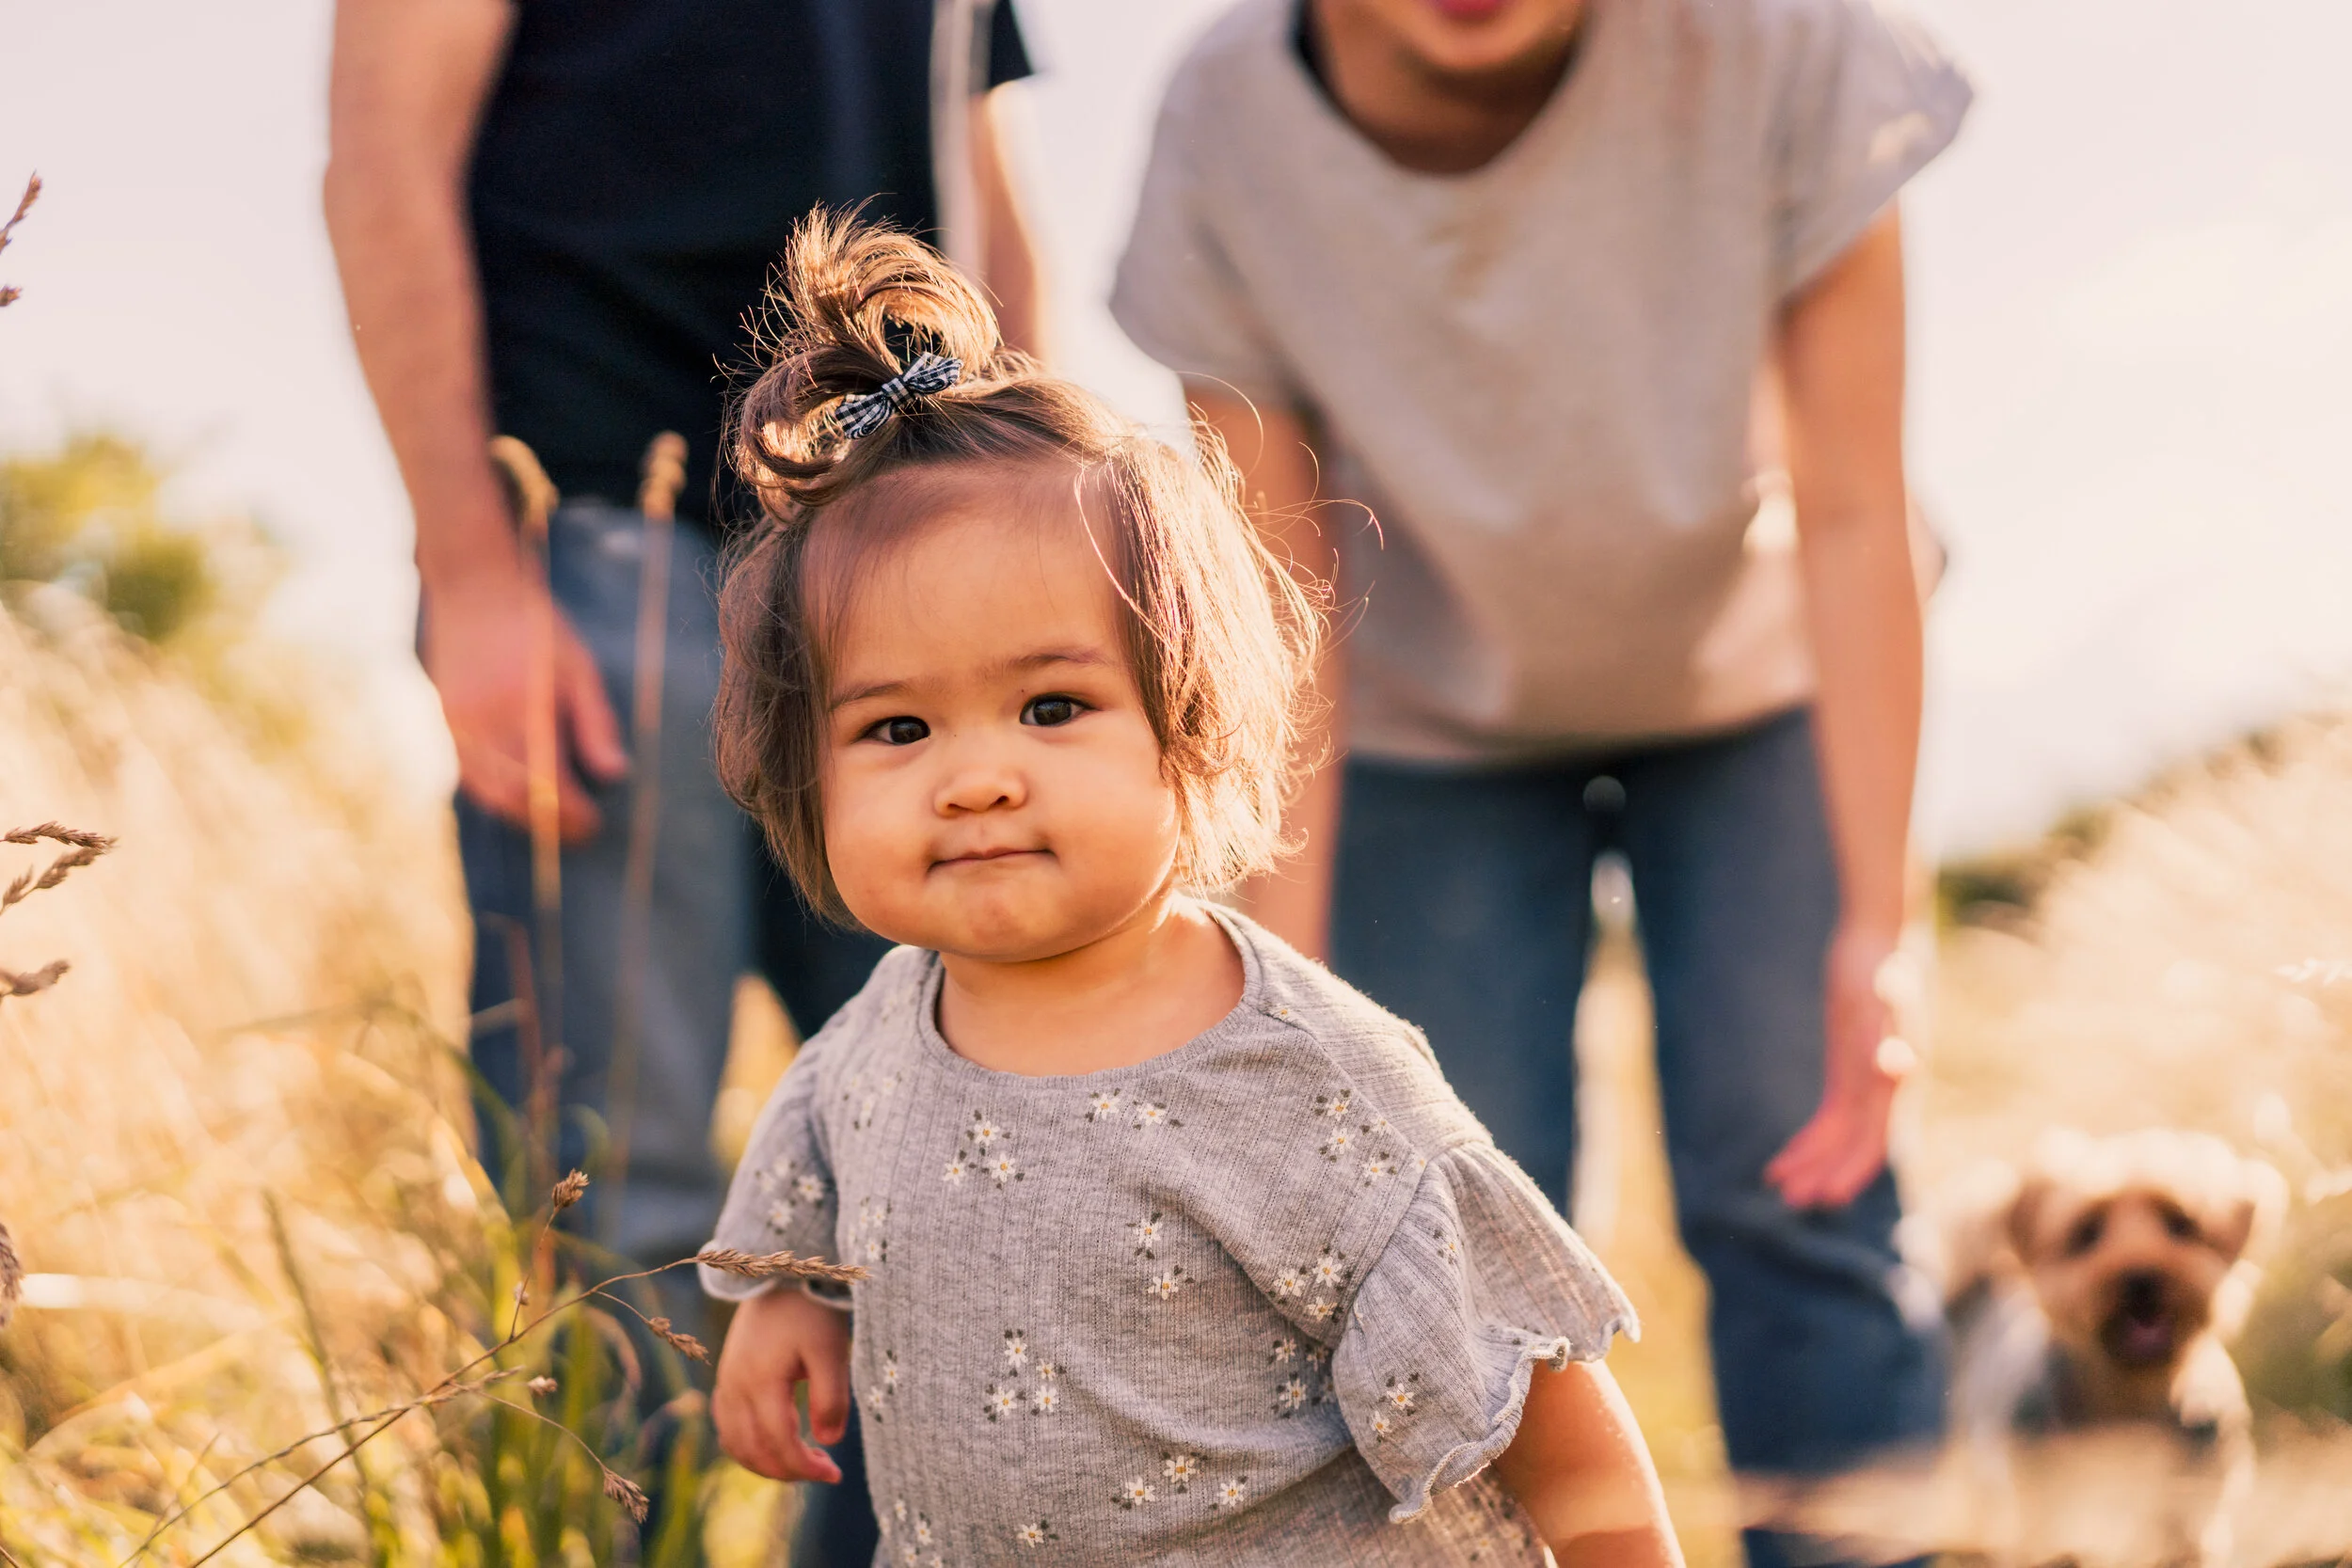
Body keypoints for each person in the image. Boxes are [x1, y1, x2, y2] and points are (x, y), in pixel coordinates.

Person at [1109, 0, 1968, 1561]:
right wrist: (1268, 1003)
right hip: (1425, 732)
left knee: (1805, 1188)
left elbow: (1857, 511)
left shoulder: (1778, 48)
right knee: (1443, 1241)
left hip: (1759, 686)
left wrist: (1873, 917)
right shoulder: (1227, 131)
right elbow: (1278, 616)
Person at [698, 214, 1682, 1568]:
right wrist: (789, 1302)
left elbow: (1549, 1412)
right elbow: (818, 1152)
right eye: (897, 729)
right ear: (807, 775)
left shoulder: (1309, 1083)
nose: (974, 780)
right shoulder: (885, 1022)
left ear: (1189, 722)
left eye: (1052, 705)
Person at [323, 0, 1039, 1550]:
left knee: (953, 1187)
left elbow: (979, 187)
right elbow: (383, 145)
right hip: (602, 538)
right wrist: (471, 563)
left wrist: (1027, 534)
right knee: (616, 1202)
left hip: (902, 558)